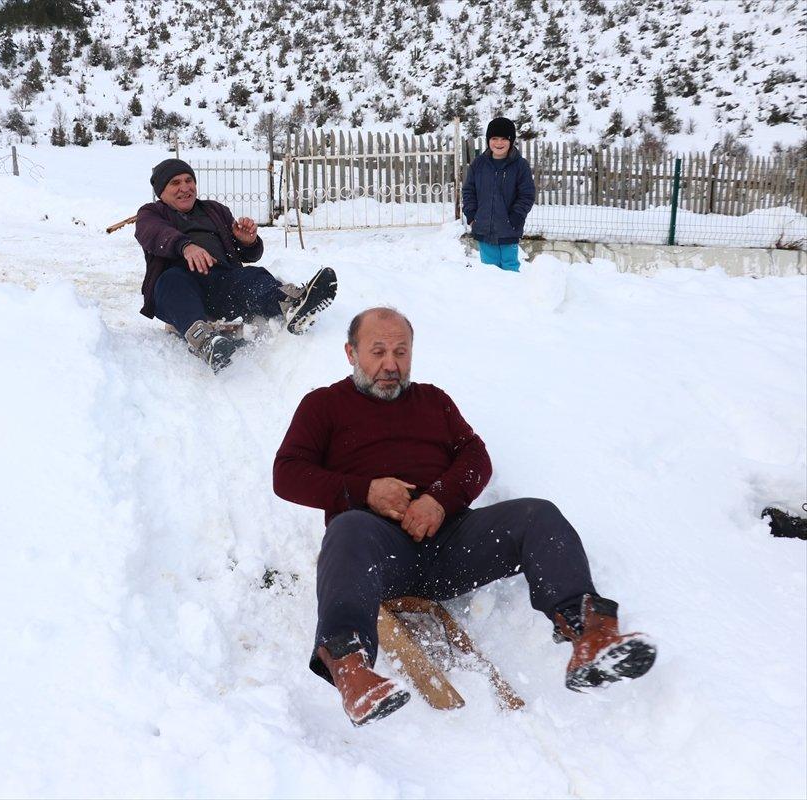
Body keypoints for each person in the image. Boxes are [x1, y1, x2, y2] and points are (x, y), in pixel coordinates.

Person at [272, 307, 656, 726]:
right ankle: (351, 669)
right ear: (351, 352)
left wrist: (438, 499)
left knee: (537, 516)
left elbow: (476, 457)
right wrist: (365, 491)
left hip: (452, 544)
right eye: (378, 351)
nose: (390, 364)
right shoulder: (323, 406)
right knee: (348, 527)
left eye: (401, 352)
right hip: (379, 553)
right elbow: (287, 474)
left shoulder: (434, 401)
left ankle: (590, 634)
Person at [135, 159, 337, 372]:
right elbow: (153, 232)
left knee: (252, 275)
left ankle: (290, 305)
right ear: (161, 192)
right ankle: (204, 340)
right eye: (175, 183)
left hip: (222, 284)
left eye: (188, 180)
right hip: (180, 289)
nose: (185, 188)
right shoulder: (151, 213)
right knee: (171, 281)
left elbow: (247, 255)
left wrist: (246, 241)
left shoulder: (214, 210)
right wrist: (186, 246)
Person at [461, 117, 535, 273]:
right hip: (483, 227)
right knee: (489, 271)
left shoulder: (520, 166)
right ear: (488, 140)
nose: (499, 143)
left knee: (510, 267)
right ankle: (491, 298)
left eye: (504, 139)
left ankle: (512, 297)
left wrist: (516, 217)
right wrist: (472, 216)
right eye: (494, 138)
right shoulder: (478, 164)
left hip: (509, 228)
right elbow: (469, 191)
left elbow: (526, 195)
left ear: (511, 141)